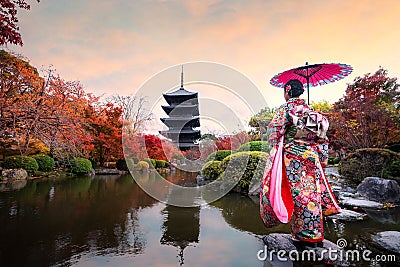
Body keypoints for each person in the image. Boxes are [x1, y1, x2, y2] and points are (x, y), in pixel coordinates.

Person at [260, 79, 341, 244]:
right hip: (310, 156)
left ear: (287, 91)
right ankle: (314, 233)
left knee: (297, 194)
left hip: (293, 157)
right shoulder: (310, 111)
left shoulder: (286, 108)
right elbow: (320, 136)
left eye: (284, 91)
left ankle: (301, 234)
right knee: (311, 193)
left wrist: (276, 144)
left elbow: (274, 132)